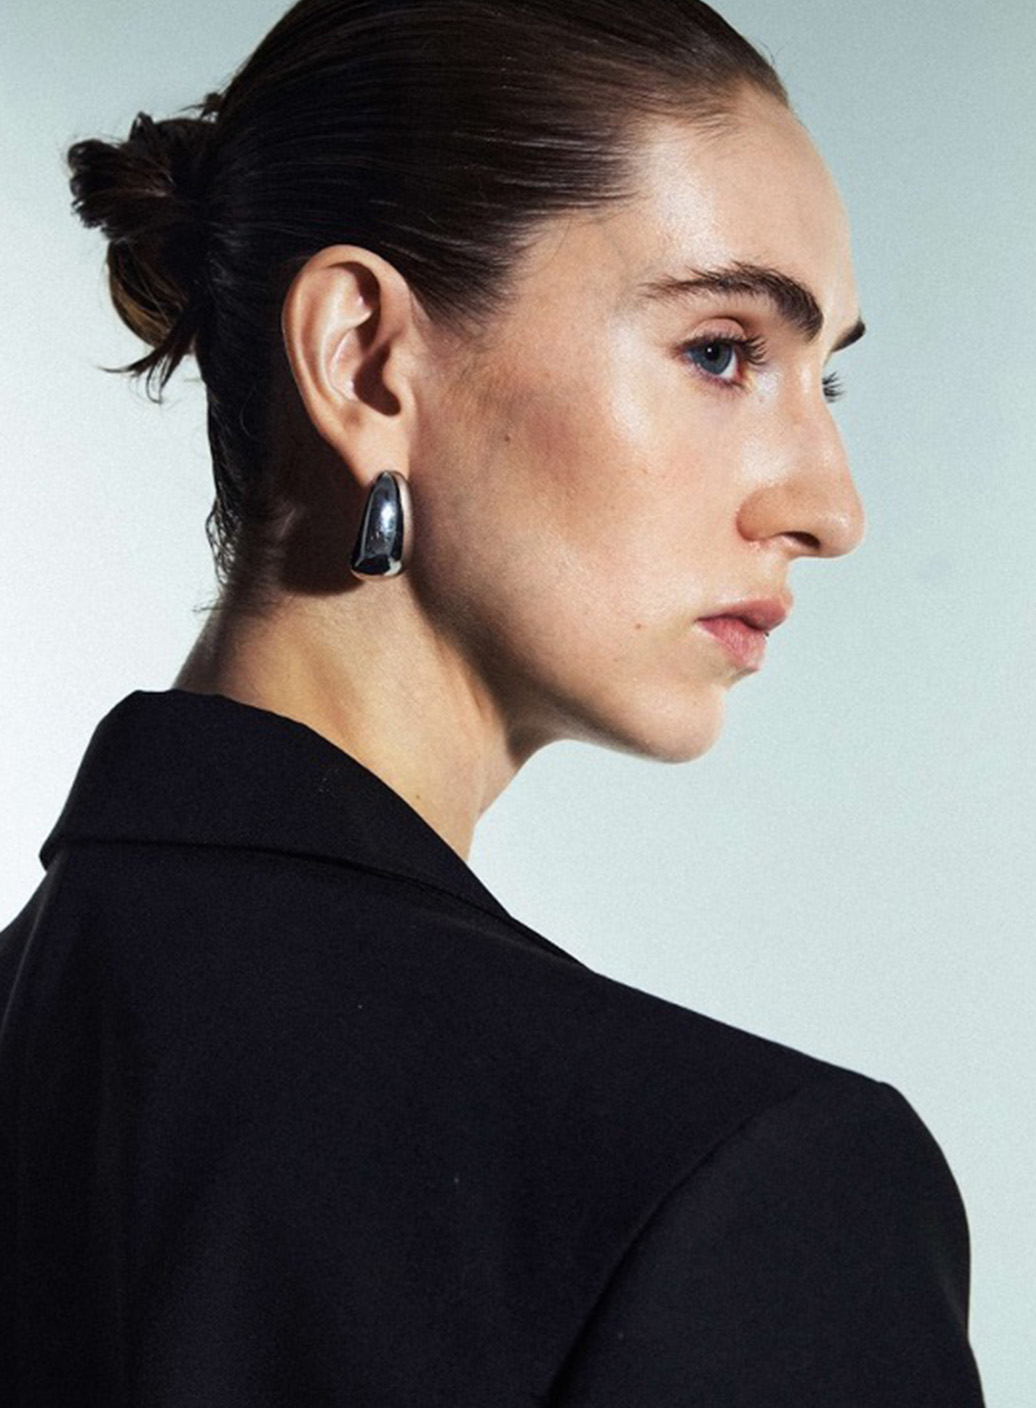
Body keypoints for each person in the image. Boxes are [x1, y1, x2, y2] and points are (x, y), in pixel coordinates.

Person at [0, 0, 986, 1402]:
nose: (830, 507)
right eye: (721, 351)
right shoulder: (752, 1190)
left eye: (826, 379)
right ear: (366, 361)